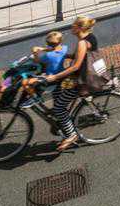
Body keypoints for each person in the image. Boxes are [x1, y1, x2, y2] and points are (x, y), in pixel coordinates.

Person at [33, 16, 101, 152]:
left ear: (80, 28)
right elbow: (78, 57)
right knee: (58, 93)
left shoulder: (82, 43)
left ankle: (71, 135)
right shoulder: (89, 37)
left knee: (58, 108)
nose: (71, 27)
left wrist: (55, 76)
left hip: (80, 81)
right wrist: (62, 55)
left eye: (74, 26)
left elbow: (76, 66)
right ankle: (63, 122)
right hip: (79, 77)